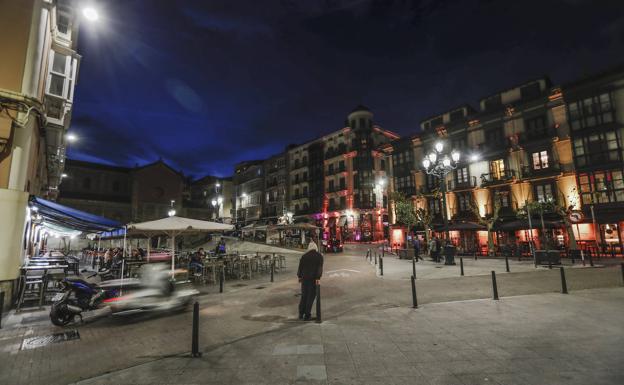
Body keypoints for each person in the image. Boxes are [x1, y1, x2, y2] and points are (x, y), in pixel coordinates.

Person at [297, 241, 323, 321]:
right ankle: (307, 315)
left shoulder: (304, 256)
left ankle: (301, 314)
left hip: (304, 279)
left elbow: (300, 267)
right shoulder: (319, 256)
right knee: (310, 297)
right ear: (316, 248)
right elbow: (319, 269)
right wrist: (318, 278)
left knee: (304, 296)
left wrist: (299, 276)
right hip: (313, 279)